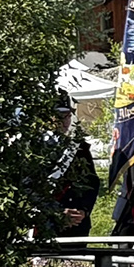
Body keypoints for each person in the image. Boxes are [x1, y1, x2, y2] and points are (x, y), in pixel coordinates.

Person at [47, 91, 100, 238]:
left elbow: (92, 182)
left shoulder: (79, 147)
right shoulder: (35, 147)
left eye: (68, 116)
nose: (64, 122)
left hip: (77, 222)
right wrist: (56, 212)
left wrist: (83, 210)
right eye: (59, 117)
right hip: (47, 222)